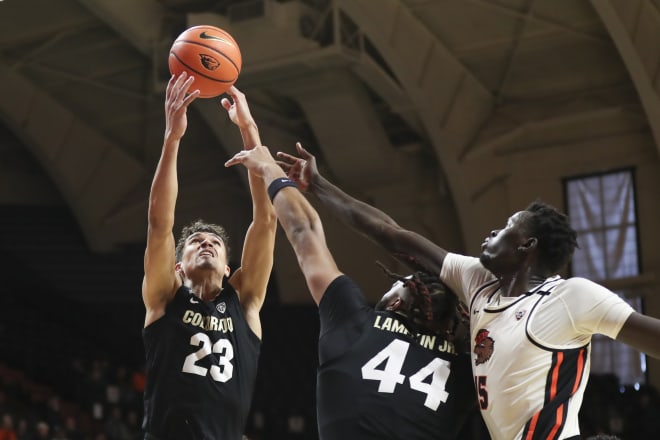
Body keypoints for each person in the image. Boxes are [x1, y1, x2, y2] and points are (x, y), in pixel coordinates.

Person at [274, 142, 660, 440]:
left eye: (507, 227)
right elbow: (391, 234)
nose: (492, 232)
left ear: (527, 247)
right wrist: (319, 185)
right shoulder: (476, 281)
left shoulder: (571, 298)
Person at [225, 145, 477, 440]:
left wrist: (269, 169)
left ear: (396, 301)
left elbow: (304, 230)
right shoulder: (466, 369)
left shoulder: (356, 323)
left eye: (394, 283)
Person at [141, 72, 277, 439]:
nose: (207, 243)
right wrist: (172, 137)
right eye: (196, 241)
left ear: (229, 268)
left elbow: (266, 220)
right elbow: (158, 224)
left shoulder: (246, 302)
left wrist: (248, 130)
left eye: (215, 242)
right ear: (177, 266)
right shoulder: (164, 297)